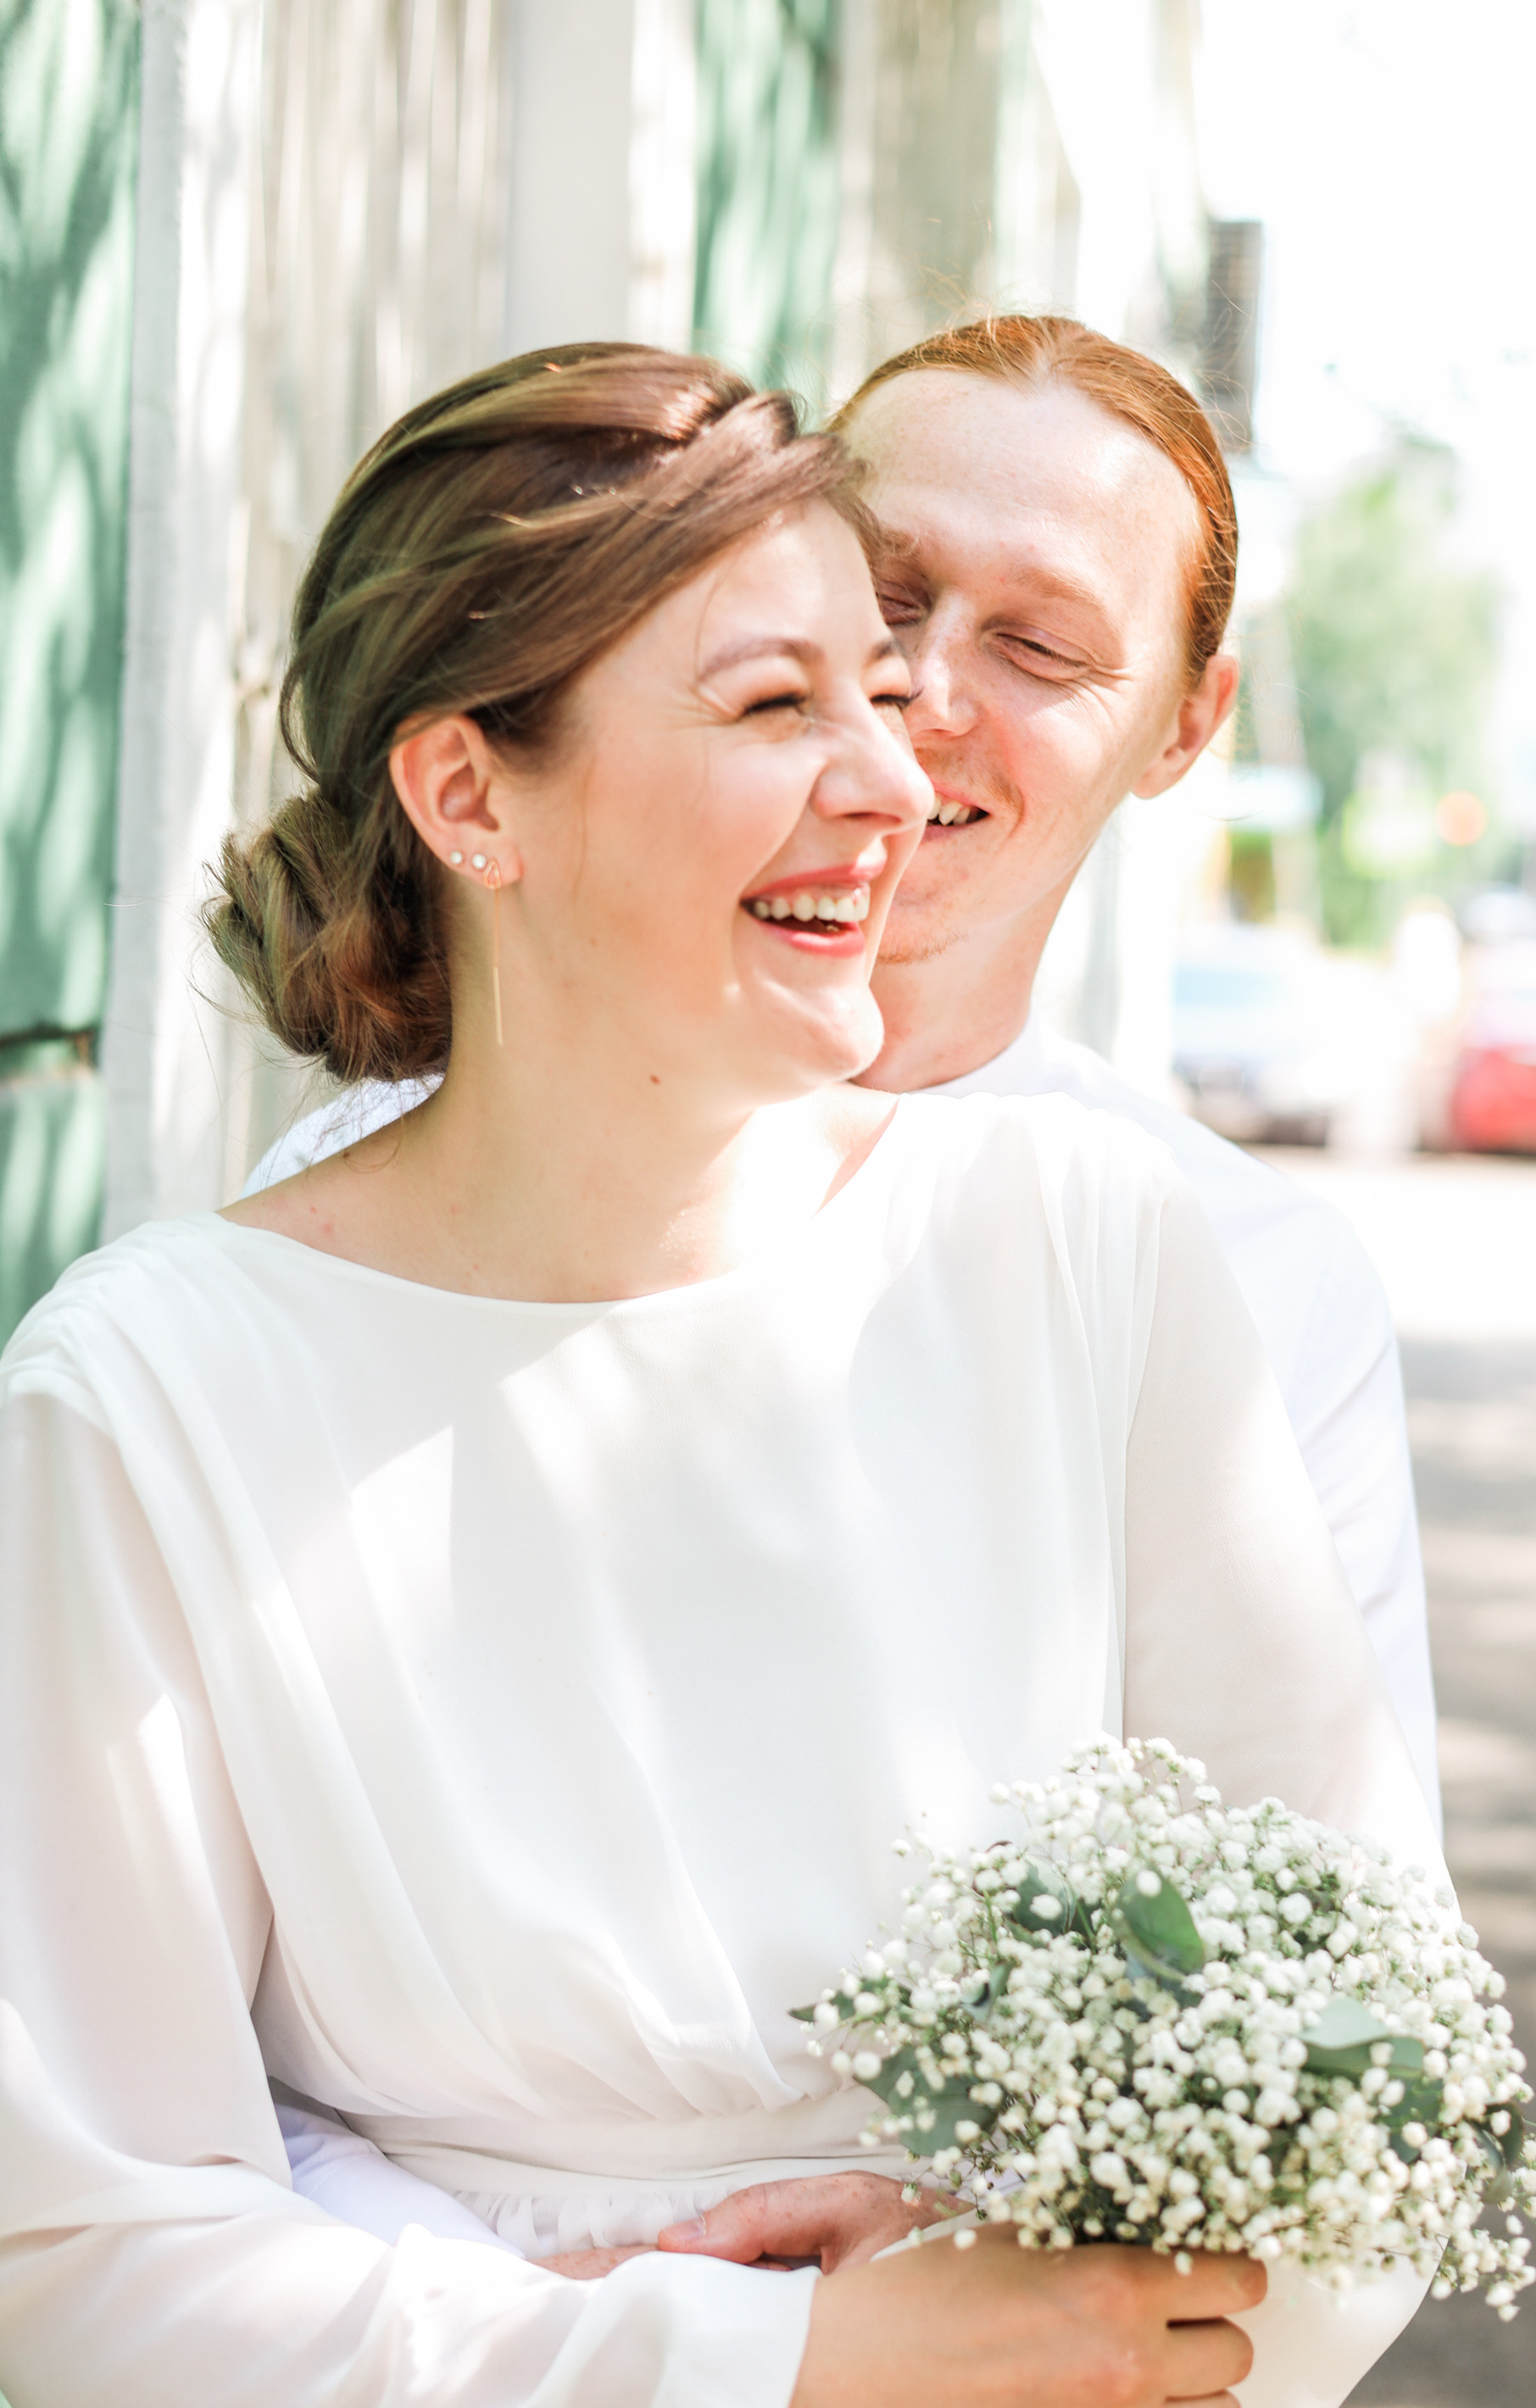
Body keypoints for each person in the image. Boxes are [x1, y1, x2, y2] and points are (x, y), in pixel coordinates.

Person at [0, 348, 1442, 2408]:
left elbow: (1357, 2053)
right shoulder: (146, 1399)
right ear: (474, 798)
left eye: (896, 686)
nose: (896, 769)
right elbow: (95, 2232)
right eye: (782, 706)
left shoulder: (1098, 1259)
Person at [251, 320, 1439, 1837]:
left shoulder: (1244, 1273)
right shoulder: (376, 1201)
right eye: (884, 593)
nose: (923, 695)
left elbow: (1336, 1931)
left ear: (1186, 728)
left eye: (1041, 646)